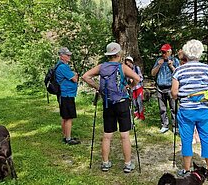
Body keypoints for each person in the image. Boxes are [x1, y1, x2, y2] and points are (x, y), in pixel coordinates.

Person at [82, 42, 140, 173]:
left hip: (108, 103)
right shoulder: (122, 67)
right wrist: (129, 87)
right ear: (119, 54)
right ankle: (127, 164)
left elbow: (86, 77)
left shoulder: (102, 66)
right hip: (122, 103)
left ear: (108, 55)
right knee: (124, 136)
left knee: (107, 135)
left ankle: (105, 163)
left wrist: (98, 87)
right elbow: (137, 78)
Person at [171, 39, 208, 181]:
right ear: (200, 52)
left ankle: (186, 169)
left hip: (186, 110)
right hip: (204, 110)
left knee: (186, 139)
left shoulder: (179, 70)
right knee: (206, 139)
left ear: (186, 52)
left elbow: (174, 93)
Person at [151, 43, 180, 133]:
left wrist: (171, 66)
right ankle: (164, 125)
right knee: (162, 109)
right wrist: (159, 65)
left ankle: (175, 126)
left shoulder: (175, 60)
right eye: (162, 52)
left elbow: (179, 74)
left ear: (170, 52)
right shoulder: (159, 60)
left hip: (171, 88)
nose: (163, 54)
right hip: (160, 88)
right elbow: (152, 73)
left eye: (165, 52)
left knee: (174, 108)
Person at [55, 47, 80, 145]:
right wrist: (75, 75)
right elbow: (74, 79)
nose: (69, 56)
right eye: (67, 55)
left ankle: (65, 136)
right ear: (62, 56)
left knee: (64, 117)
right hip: (67, 94)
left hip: (63, 94)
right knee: (68, 117)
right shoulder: (63, 67)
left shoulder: (60, 66)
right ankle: (68, 139)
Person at [124, 56, 145, 121]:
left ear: (131, 62)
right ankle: (137, 115)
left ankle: (141, 116)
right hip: (132, 89)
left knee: (139, 102)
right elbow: (126, 79)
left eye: (128, 63)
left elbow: (141, 78)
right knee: (134, 102)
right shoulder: (126, 70)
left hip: (138, 87)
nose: (128, 64)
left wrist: (135, 79)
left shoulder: (136, 68)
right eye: (126, 63)